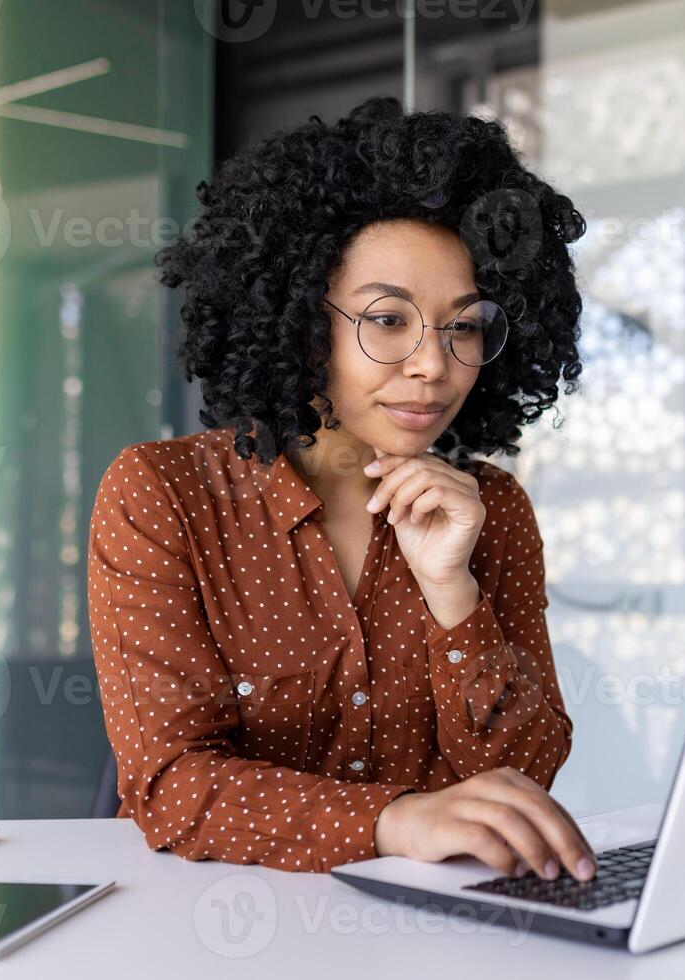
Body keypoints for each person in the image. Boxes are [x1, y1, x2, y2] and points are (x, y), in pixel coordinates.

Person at [86, 96, 597, 884]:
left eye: (464, 326)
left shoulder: (489, 511)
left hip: (425, 930)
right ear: (296, 316)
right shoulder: (165, 495)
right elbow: (172, 784)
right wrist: (395, 822)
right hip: (203, 920)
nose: (435, 364)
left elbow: (525, 773)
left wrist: (452, 591)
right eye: (388, 321)